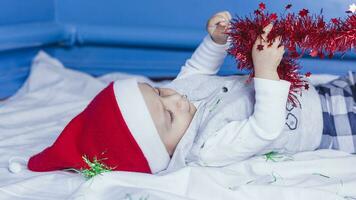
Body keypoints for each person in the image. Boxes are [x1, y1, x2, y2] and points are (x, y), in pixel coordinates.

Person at [27, 11, 356, 175]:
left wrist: (214, 41)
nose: (176, 99)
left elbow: (195, 72)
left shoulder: (178, 97)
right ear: (162, 152)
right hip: (325, 124)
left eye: (158, 92)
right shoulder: (206, 148)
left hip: (318, 92)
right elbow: (264, 130)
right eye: (168, 114)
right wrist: (266, 72)